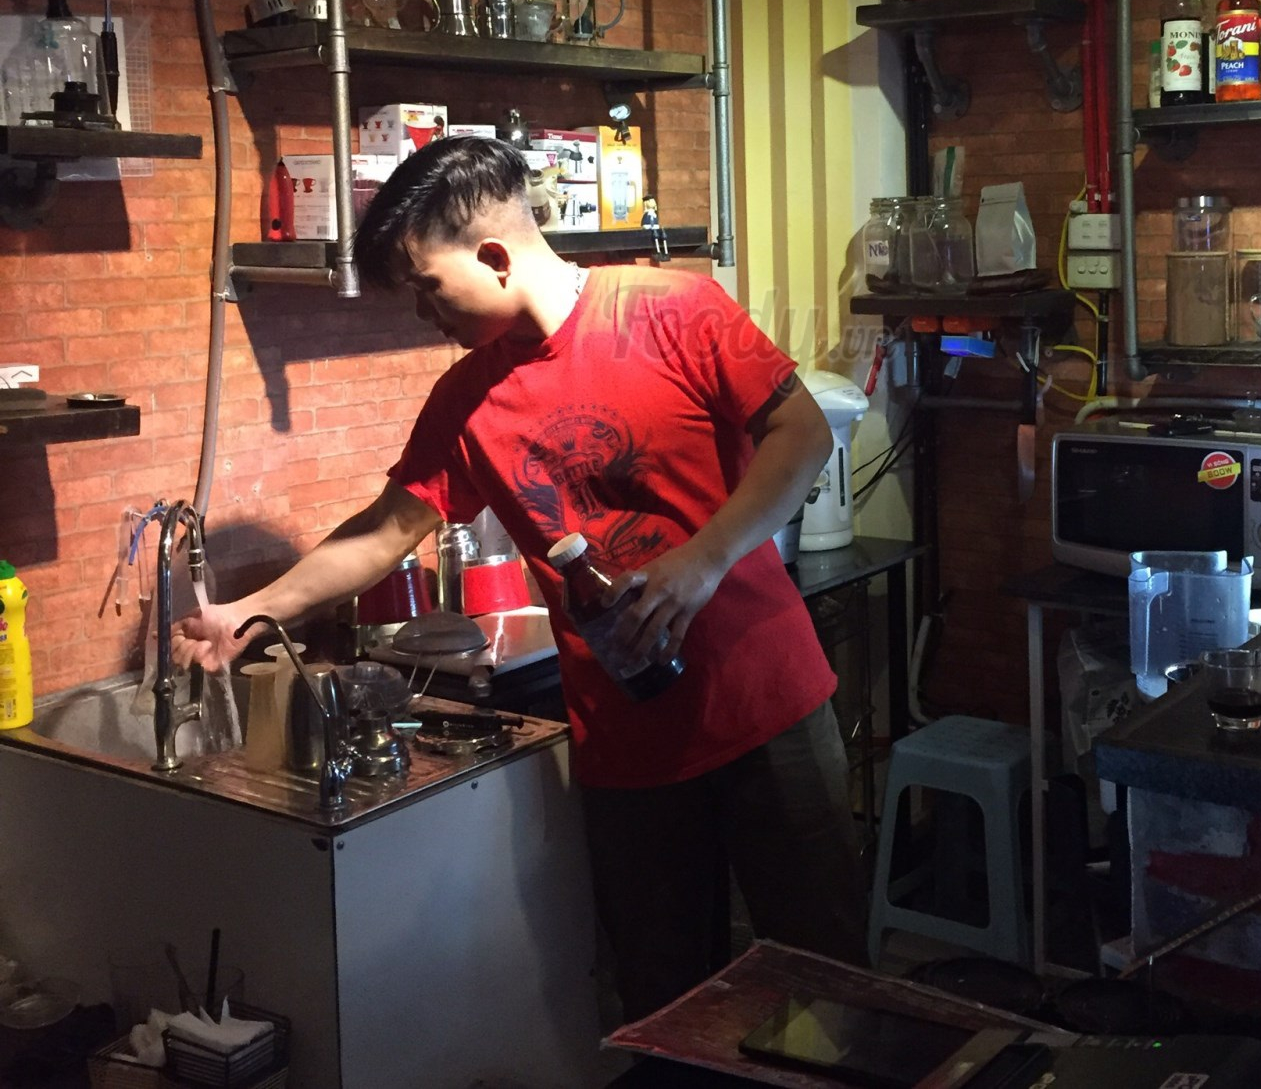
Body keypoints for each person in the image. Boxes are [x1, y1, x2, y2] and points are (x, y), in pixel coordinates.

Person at [173, 135, 866, 1019]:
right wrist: (252, 610)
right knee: (669, 1003)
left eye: (428, 287)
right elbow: (386, 532)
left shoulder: (674, 308)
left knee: (829, 985)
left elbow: (802, 434)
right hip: (627, 740)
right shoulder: (466, 400)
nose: (422, 314)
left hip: (766, 702)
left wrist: (702, 559)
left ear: (495, 256)